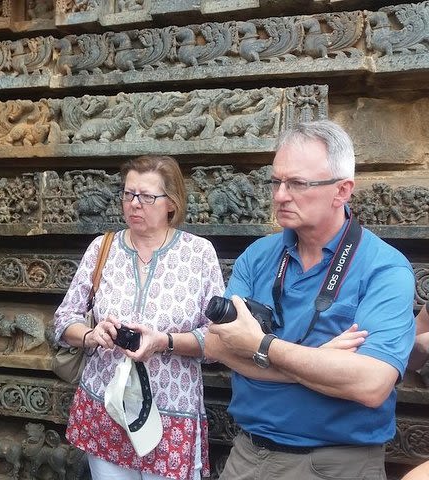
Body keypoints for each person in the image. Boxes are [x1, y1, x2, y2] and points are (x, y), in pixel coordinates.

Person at [205, 119, 416, 479]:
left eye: (298, 183)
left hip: (336, 464)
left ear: (342, 191)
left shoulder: (384, 268)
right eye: (277, 181)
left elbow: (369, 385)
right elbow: (217, 344)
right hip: (247, 456)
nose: (280, 195)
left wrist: (260, 347)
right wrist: (319, 363)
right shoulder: (258, 255)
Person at [54, 155, 225, 479]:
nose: (134, 204)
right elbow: (65, 319)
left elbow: (218, 339)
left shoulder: (199, 254)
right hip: (107, 408)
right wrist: (91, 335)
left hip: (171, 413)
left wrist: (165, 342)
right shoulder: (102, 248)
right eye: (128, 194)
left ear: (171, 203)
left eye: (146, 196)